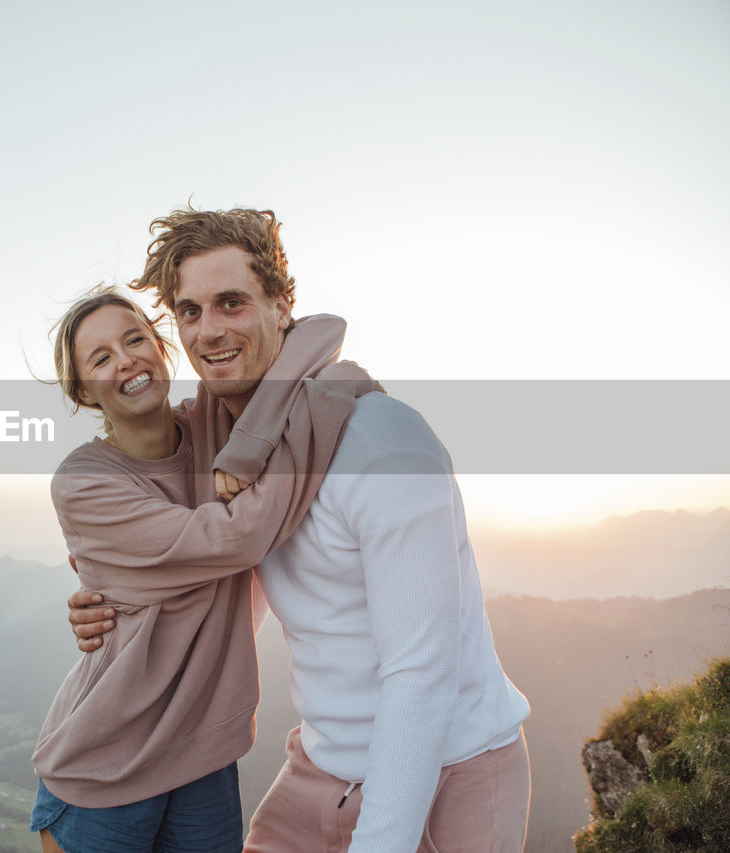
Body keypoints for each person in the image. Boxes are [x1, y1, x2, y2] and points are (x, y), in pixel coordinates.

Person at [69, 207, 532, 852]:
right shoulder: (230, 445)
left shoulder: (387, 447)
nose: (208, 332)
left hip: (452, 768)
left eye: (231, 303)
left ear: (282, 304)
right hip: (322, 766)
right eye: (190, 311)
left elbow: (421, 673)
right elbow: (218, 575)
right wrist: (121, 605)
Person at [32, 285, 374, 853]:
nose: (126, 361)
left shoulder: (219, 423)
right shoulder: (85, 482)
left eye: (135, 338)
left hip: (204, 760)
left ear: (162, 347)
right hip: (106, 763)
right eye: (100, 358)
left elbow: (322, 332)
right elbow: (238, 536)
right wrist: (329, 401)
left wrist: (260, 438)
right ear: (83, 390)